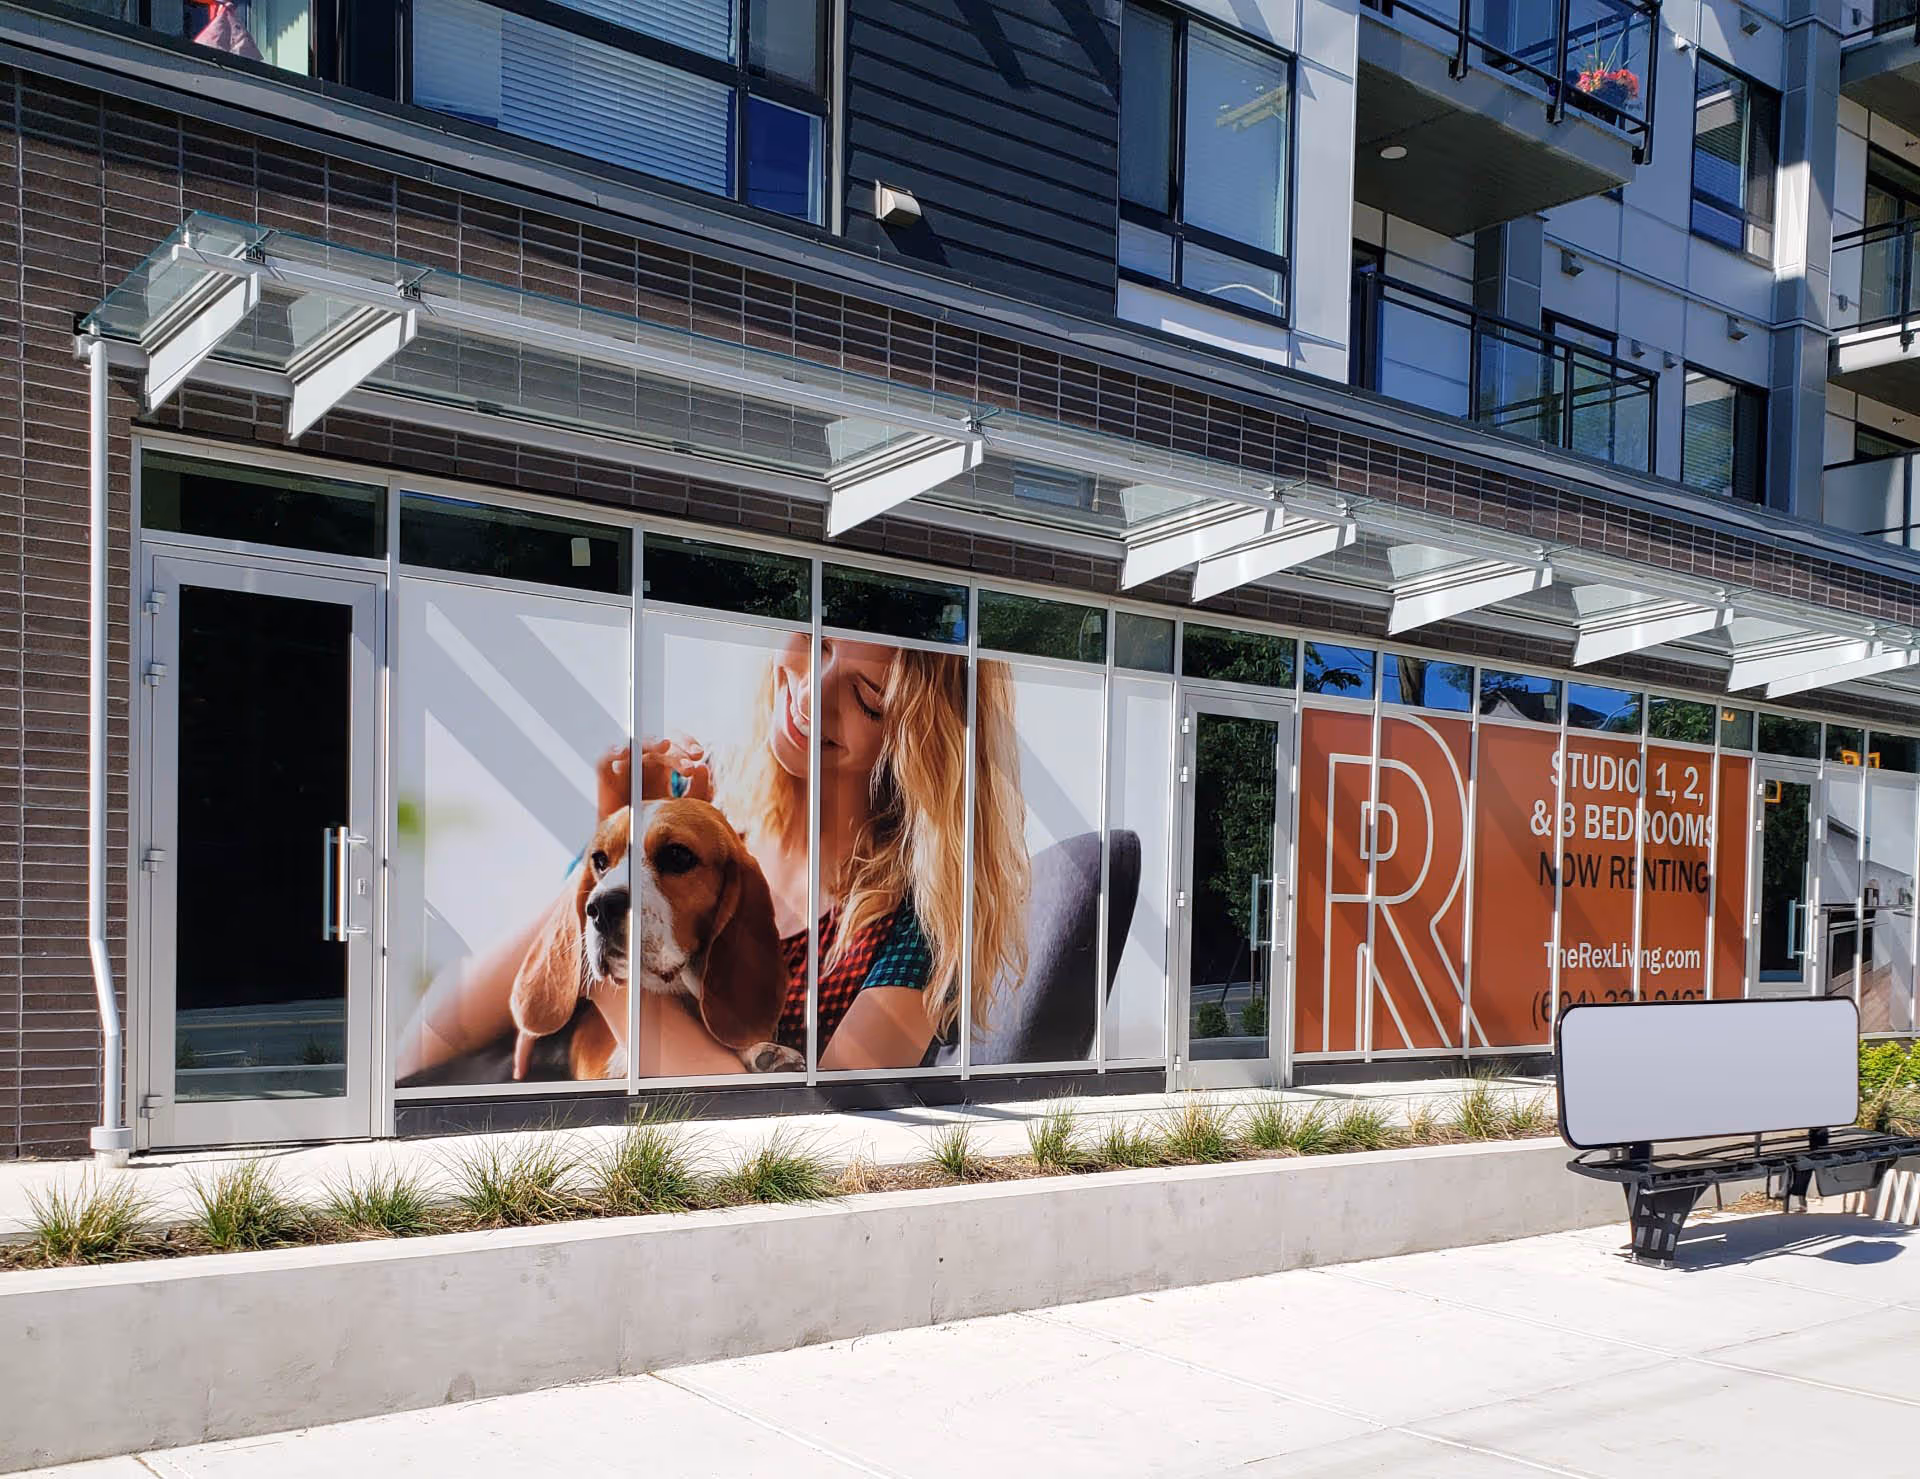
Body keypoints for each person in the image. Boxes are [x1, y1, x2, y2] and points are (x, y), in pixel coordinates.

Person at [394, 633, 1029, 1081]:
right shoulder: (688, 810)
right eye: (818, 645)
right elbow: (442, 1031)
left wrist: (612, 981)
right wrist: (617, 830)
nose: (811, 695)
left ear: (920, 741)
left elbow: (819, 1136)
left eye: (866, 696)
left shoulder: (916, 925)